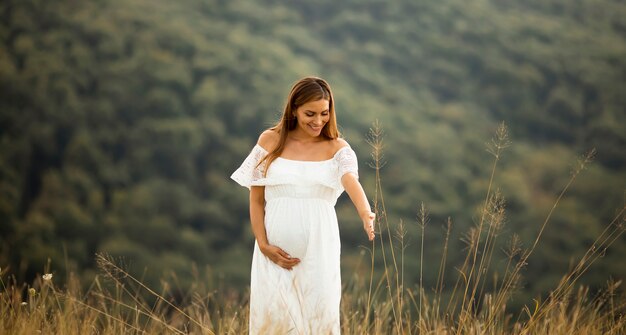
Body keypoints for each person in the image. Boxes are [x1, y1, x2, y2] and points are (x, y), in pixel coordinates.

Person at [231, 76, 375, 334]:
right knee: (274, 321)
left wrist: (365, 212)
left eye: (324, 113)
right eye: (310, 113)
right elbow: (256, 199)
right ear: (294, 109)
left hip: (320, 251)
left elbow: (350, 180)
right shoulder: (269, 141)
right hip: (274, 253)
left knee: (318, 319)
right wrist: (263, 244)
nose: (318, 121)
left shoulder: (337, 148)